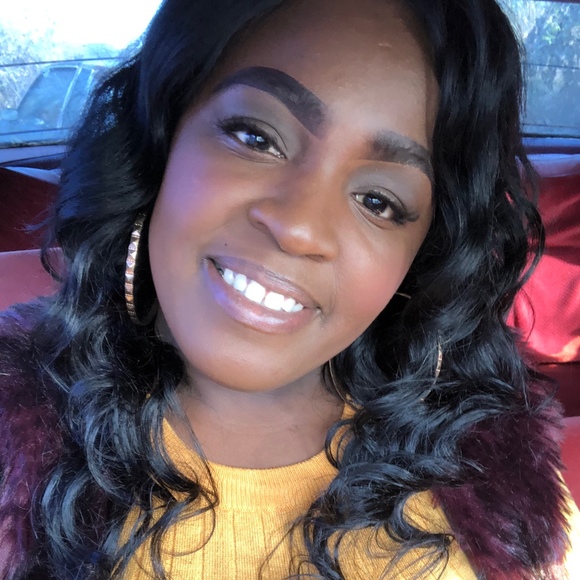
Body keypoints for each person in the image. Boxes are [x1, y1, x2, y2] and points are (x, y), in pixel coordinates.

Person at [1, 0, 578, 578]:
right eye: (255, 136)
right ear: (161, 137)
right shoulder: (14, 423)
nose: (299, 228)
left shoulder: (502, 487)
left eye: (378, 201)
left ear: (423, 256)